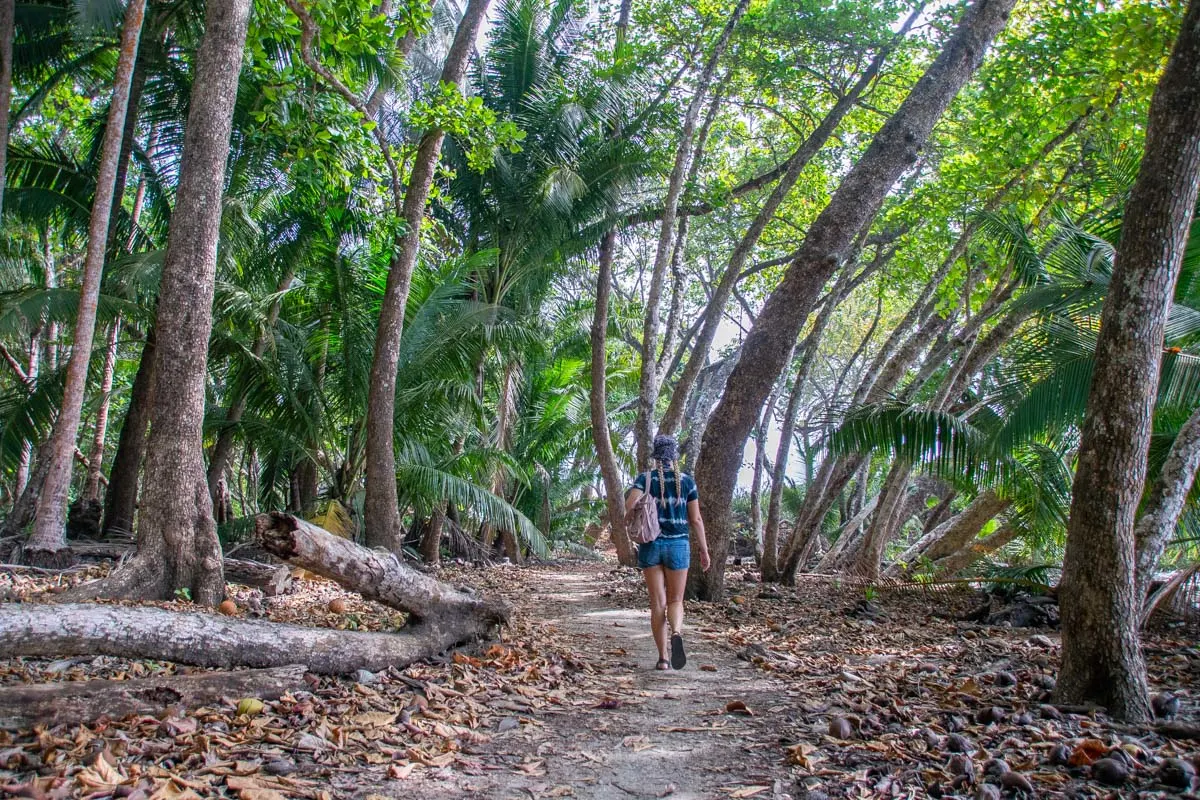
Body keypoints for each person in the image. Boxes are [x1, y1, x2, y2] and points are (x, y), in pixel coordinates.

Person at [624, 434, 711, 670]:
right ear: (674, 457)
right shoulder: (687, 482)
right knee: (676, 600)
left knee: (657, 604)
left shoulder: (646, 479)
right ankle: (677, 632)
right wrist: (704, 550)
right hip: (678, 545)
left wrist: (645, 507)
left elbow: (629, 505)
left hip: (651, 545)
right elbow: (696, 519)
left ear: (655, 456)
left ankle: (663, 658)